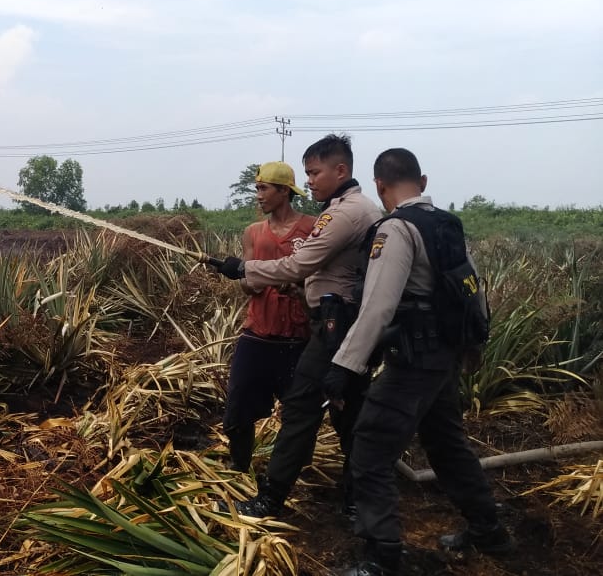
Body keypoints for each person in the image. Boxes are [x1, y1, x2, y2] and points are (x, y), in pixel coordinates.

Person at [327, 148, 511, 576]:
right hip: (444, 357)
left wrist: (344, 366)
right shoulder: (446, 224)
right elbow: (472, 289)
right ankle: (489, 529)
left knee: (370, 447)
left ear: (379, 185)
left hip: (412, 362)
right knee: (446, 443)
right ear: (423, 182)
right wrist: (473, 348)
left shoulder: (395, 230)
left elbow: (377, 307)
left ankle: (383, 556)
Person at [206, 133, 383, 517]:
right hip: (320, 326)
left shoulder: (341, 214)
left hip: (329, 328)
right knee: (346, 412)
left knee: (305, 406)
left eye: (315, 172)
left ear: (341, 170)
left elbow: (300, 265)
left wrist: (243, 269)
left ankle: (272, 498)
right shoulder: (353, 210)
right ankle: (356, 500)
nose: (310, 181)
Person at [221, 162, 316, 473]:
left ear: (284, 191)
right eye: (257, 189)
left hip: (299, 337)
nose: (258, 196)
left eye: (264, 189)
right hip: (258, 333)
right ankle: (239, 469)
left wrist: (299, 286)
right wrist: (267, 278)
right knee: (238, 408)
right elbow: (248, 285)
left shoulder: (313, 228)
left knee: (299, 413)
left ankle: (290, 473)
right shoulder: (253, 233)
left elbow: (320, 278)